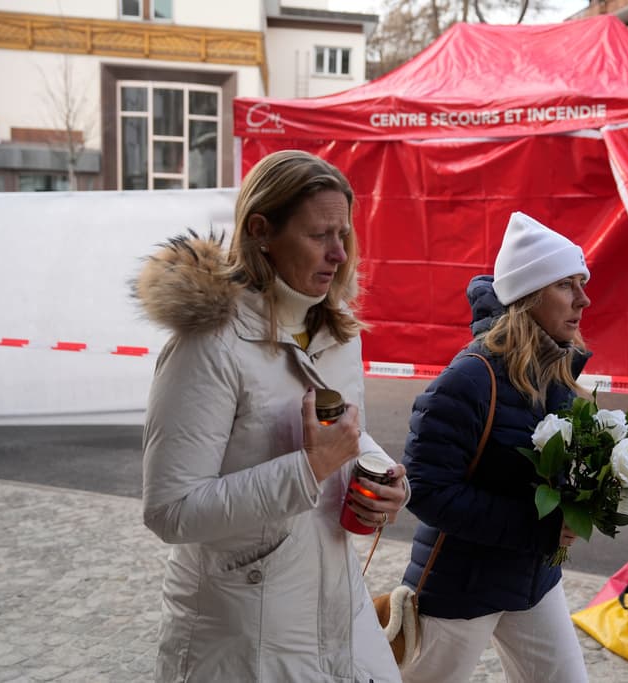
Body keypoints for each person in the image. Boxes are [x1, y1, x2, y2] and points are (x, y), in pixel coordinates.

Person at [134, 149, 409, 682]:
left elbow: (341, 434)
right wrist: (308, 470)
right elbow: (169, 510)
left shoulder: (337, 332)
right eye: (318, 235)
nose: (337, 253)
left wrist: (383, 474)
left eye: (344, 235)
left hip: (337, 602)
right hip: (243, 627)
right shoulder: (208, 343)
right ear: (261, 230)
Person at [399, 211, 593, 683]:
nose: (583, 300)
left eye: (582, 284)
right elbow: (424, 489)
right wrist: (538, 527)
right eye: (567, 285)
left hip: (533, 581)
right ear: (529, 295)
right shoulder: (470, 378)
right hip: (461, 587)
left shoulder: (558, 372)